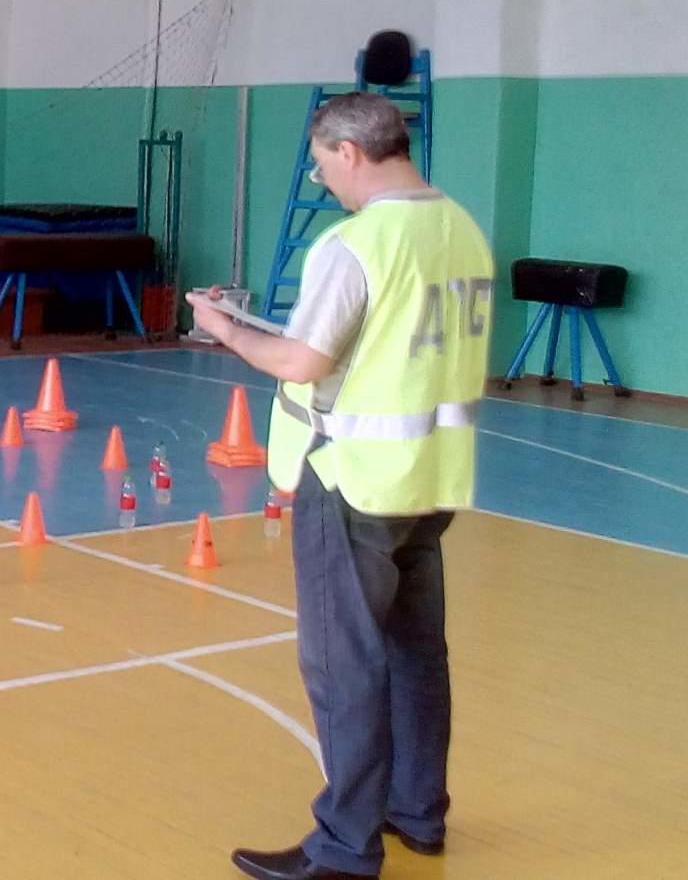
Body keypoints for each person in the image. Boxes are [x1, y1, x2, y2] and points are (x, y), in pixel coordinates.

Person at [188, 92, 494, 880]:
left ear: (350, 152)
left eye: (323, 166)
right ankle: (417, 811)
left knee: (344, 662)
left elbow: (303, 361)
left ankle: (344, 846)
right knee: (416, 650)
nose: (322, 182)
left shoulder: (356, 243)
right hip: (431, 474)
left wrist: (225, 329)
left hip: (352, 476)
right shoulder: (461, 228)